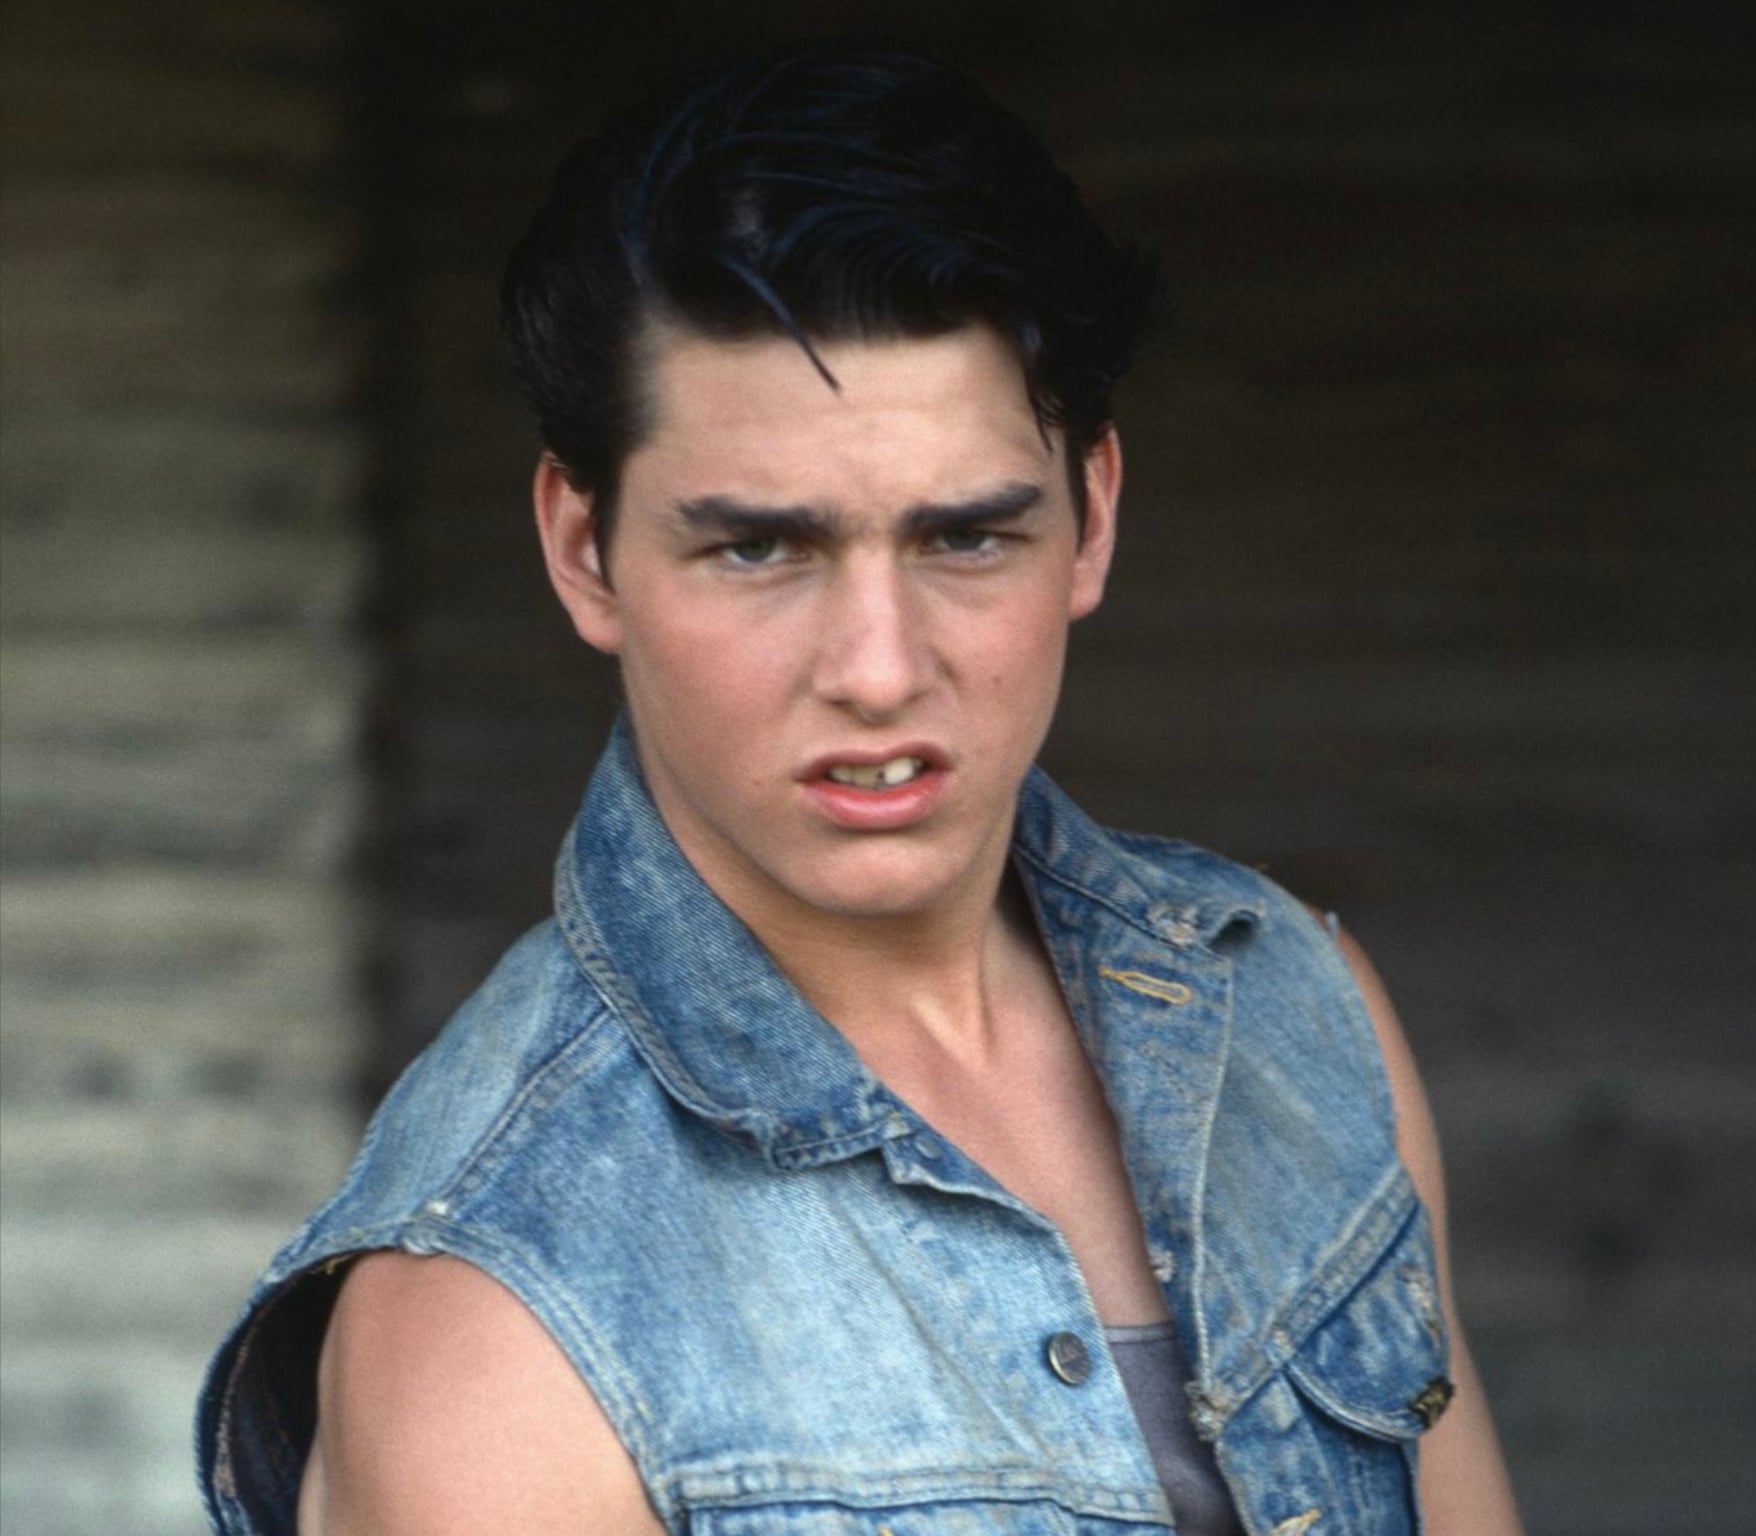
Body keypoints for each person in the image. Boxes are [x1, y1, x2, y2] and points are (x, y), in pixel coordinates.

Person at [197, 43, 1522, 1536]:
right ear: (585, 551)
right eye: (760, 548)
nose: (879, 670)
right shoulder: (494, 1313)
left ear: (1091, 518)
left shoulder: (1291, 1008)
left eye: (966, 538)